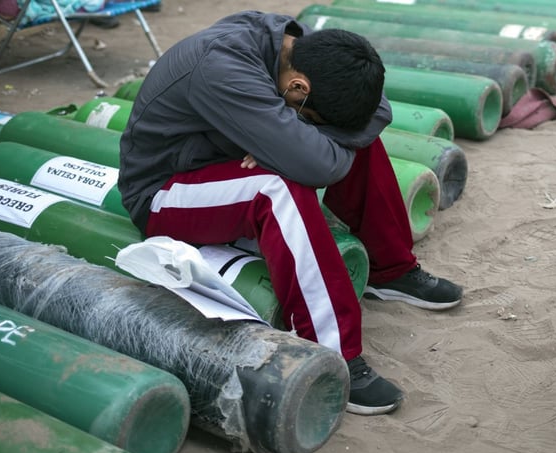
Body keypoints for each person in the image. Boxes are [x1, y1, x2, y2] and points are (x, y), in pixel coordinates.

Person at [117, 10, 463, 416]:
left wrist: (293, 138)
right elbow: (318, 167)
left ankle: (391, 271)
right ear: (298, 87)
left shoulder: (302, 46)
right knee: (279, 186)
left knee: (355, 138)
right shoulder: (221, 68)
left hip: (225, 160)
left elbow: (376, 110)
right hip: (166, 192)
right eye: (305, 112)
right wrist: (291, 146)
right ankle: (334, 353)